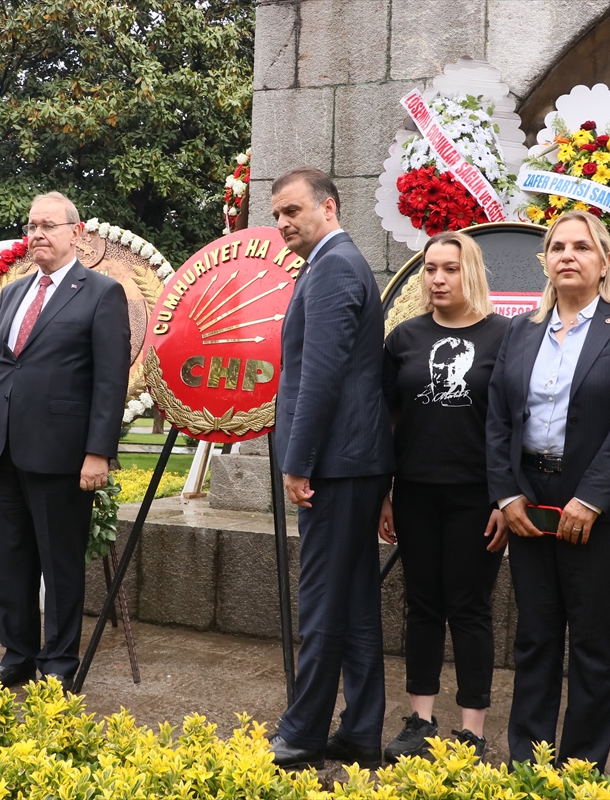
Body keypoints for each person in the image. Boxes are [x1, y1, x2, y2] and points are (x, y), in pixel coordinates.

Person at [487, 210, 610, 770]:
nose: (567, 256)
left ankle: (580, 769)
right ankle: (527, 767)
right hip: (529, 502)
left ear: (604, 260)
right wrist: (506, 494)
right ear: (545, 261)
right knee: (534, 640)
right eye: (557, 246)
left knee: (591, 645)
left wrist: (590, 498)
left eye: (581, 247)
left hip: (601, 510)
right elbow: (497, 418)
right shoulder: (520, 330)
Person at [0, 191, 131, 690]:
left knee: (59, 565)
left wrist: (98, 451)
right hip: (4, 451)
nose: (37, 234)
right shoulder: (15, 292)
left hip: (62, 454)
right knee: (12, 559)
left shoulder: (102, 292)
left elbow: (110, 380)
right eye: (31, 225)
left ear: (75, 232)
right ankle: (16, 654)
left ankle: (58, 662)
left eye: (48, 225)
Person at [267, 167, 395, 771]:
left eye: (293, 210)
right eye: (277, 215)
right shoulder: (331, 264)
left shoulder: (336, 266)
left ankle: (303, 731)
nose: (283, 223)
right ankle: (362, 730)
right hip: (350, 462)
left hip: (335, 466)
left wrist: (298, 463)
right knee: (352, 602)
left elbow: (320, 375)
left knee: (322, 601)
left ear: (330, 207)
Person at [378, 231, 510, 762]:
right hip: (413, 492)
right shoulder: (403, 338)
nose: (437, 278)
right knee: (422, 605)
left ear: (470, 272)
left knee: (471, 607)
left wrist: (507, 498)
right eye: (430, 269)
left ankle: (473, 728)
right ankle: (420, 719)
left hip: (478, 498)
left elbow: (513, 423)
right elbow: (385, 420)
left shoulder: (506, 336)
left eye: (449, 269)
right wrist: (385, 491)